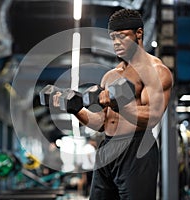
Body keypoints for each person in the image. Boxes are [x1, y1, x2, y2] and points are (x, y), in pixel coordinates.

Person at [53, 9, 173, 199]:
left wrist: (121, 105)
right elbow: (101, 123)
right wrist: (76, 110)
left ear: (139, 33)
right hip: (107, 148)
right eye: (113, 38)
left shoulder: (156, 71)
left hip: (136, 149)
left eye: (122, 37)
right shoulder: (110, 76)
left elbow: (152, 117)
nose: (116, 43)